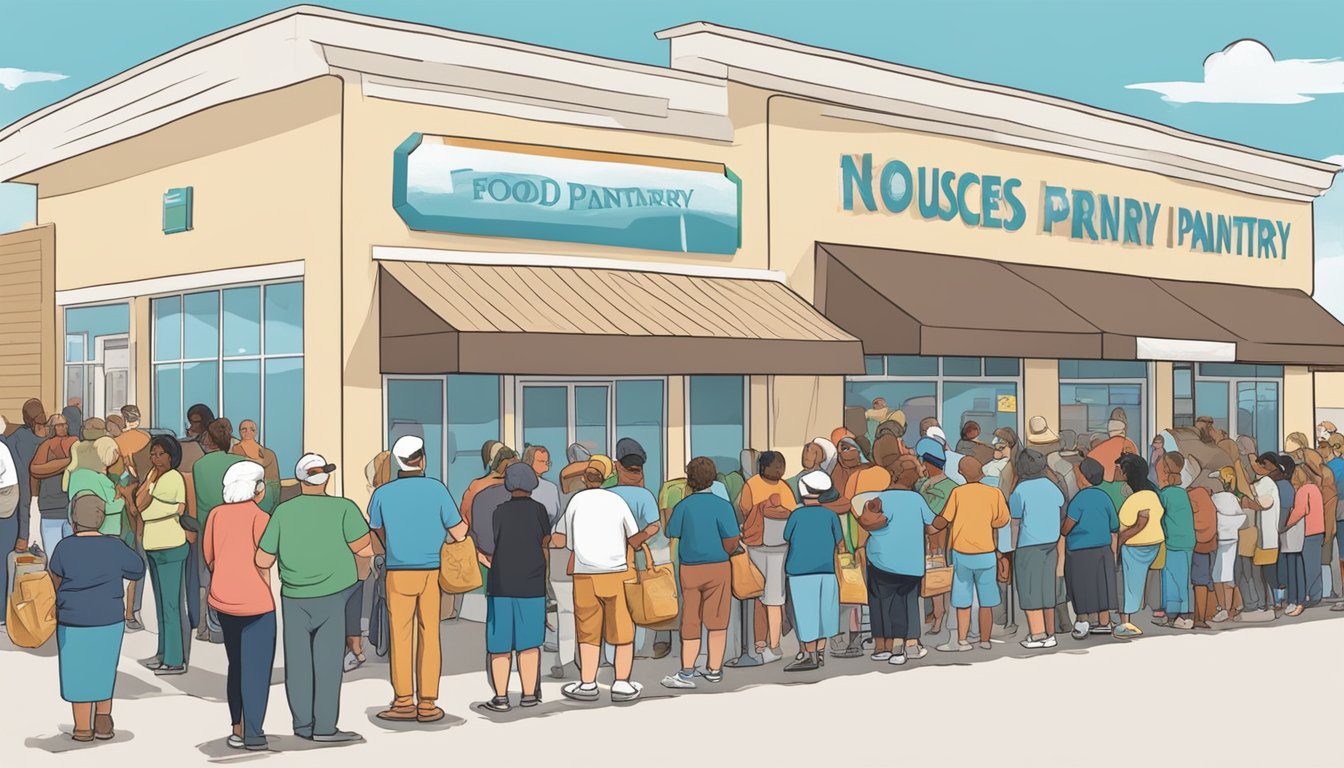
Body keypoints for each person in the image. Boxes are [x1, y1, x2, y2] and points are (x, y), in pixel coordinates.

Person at [256, 453, 371, 743]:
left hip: (293, 595)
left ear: (299, 480)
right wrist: (356, 574)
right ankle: (324, 728)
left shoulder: (283, 512)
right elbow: (365, 550)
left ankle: (303, 724)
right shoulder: (344, 508)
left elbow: (262, 558)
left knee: (297, 663)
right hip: (334, 594)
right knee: (328, 663)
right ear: (326, 477)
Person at [367, 435, 466, 722]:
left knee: (400, 637)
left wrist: (393, 544)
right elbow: (458, 532)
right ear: (422, 459)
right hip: (431, 572)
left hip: (398, 572)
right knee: (429, 635)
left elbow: (376, 529)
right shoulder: (436, 489)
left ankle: (402, 701)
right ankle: (428, 702)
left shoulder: (382, 494)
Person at [552, 458, 649, 703]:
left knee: (587, 631)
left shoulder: (576, 501)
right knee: (623, 630)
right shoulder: (617, 501)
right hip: (617, 573)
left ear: (585, 478)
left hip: (584, 574)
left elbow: (560, 539)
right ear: (608, 478)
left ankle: (587, 684)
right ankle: (622, 683)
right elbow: (633, 536)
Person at [49, 494, 145, 742]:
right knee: (104, 666)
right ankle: (103, 718)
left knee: (77, 670)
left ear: (73, 521)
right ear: (101, 520)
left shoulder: (64, 547)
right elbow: (137, 569)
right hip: (109, 618)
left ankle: (82, 726)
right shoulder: (114, 546)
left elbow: (55, 578)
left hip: (73, 619)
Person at [203, 461, 277, 751]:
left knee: (237, 666)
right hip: (257, 602)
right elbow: (266, 561)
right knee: (257, 669)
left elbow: (209, 557)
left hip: (223, 599)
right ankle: (255, 733)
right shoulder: (262, 518)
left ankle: (237, 728)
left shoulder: (216, 515)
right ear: (257, 489)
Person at [661, 457, 741, 688]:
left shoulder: (683, 506)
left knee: (691, 620)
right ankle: (714, 669)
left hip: (690, 568)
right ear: (713, 479)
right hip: (718, 567)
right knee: (717, 620)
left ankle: (687, 671)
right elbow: (731, 540)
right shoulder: (723, 506)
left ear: (690, 480)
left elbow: (671, 531)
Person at [479, 463, 552, 711]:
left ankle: (500, 697)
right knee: (529, 644)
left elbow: (491, 544)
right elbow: (545, 540)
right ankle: (529, 694)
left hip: (501, 582)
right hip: (532, 583)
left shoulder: (499, 512)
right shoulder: (540, 511)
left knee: (499, 645)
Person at [856, 454, 934, 665]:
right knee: (907, 603)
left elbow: (866, 522)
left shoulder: (881, 498)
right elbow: (933, 526)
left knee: (879, 602)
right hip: (910, 562)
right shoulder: (917, 500)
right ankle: (906, 646)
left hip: (880, 559)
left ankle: (882, 647)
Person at [928, 456, 1010, 652]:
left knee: (962, 600)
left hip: (962, 552)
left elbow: (944, 520)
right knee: (987, 601)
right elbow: (1002, 520)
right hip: (986, 552)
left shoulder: (958, 493)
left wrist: (930, 525)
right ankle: (985, 639)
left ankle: (962, 640)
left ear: (962, 474)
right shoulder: (995, 493)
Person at [133, 434, 191, 674]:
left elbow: (146, 510)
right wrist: (145, 494)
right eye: (153, 454)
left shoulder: (173, 478)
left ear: (171, 455)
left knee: (170, 605)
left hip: (171, 546)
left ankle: (175, 659)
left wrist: (144, 499)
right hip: (153, 545)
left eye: (161, 454)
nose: (156, 459)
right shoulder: (152, 476)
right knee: (159, 604)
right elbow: (140, 502)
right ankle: (162, 653)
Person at [605, 438, 665, 661]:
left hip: (609, 560)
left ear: (616, 465)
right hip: (637, 558)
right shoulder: (645, 495)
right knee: (639, 602)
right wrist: (638, 538)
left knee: (613, 605)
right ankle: (636, 649)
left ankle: (612, 653)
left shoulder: (607, 494)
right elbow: (655, 526)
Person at [738, 451, 797, 665]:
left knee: (774, 598)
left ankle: (774, 644)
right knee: (760, 596)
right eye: (776, 465)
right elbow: (745, 509)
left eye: (782, 465)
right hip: (757, 546)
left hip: (779, 549)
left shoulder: (784, 487)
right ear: (764, 467)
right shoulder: (752, 485)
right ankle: (760, 642)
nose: (780, 469)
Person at [783, 471, 845, 672]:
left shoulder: (796, 515)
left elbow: (786, 536)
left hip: (800, 571)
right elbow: (840, 543)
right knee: (823, 613)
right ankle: (820, 652)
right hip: (826, 570)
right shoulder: (831, 515)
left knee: (806, 614)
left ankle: (809, 656)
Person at [192, 418, 243, 643]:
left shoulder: (199, 465)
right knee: (235, 575)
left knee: (207, 577)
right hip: (236, 526)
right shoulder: (240, 463)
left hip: (207, 526)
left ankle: (206, 626)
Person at [1009, 449, 1065, 649]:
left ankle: (1037, 634)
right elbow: (1060, 507)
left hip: (1028, 544)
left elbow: (1015, 522)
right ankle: (1051, 634)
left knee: (1030, 590)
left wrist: (1012, 547)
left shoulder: (1020, 491)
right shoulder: (1052, 486)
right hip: (1051, 542)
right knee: (1047, 588)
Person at [1063, 458, 1119, 638]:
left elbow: (1067, 527)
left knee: (1081, 587)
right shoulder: (1104, 496)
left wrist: (1061, 529)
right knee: (1101, 586)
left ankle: (1082, 622)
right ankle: (1104, 622)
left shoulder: (1079, 500)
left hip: (1080, 551)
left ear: (1084, 477)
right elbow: (1114, 524)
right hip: (1103, 549)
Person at [1112, 454, 1165, 639]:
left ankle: (1125, 622)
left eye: (1119, 469)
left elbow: (1140, 522)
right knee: (1137, 582)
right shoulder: (1152, 494)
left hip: (1135, 546)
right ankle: (1126, 618)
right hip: (1154, 543)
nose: (1116, 472)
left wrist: (1120, 540)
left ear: (1128, 473)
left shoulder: (1135, 499)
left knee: (1127, 583)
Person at [915, 437, 958, 635]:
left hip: (939, 539)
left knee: (939, 578)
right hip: (926, 539)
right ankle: (937, 614)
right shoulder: (922, 484)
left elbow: (936, 517)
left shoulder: (948, 488)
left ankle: (941, 616)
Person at [1152, 453, 1196, 630]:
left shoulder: (1166, 495)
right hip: (1187, 541)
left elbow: (1159, 516)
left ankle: (1180, 614)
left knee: (1173, 578)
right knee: (1182, 578)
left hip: (1173, 542)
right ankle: (1180, 613)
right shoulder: (1182, 493)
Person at [7, 399, 49, 558]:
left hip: (24, 484)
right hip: (38, 489)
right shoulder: (47, 438)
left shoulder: (18, 436)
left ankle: (23, 539)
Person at [31, 411, 77, 552]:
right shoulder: (46, 445)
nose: (63, 428)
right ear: (51, 428)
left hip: (72, 506)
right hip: (50, 507)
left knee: (73, 554)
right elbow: (35, 469)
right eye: (58, 425)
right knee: (52, 552)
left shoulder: (75, 442)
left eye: (64, 425)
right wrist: (66, 463)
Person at [1183, 456, 1219, 628]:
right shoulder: (1199, 493)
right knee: (1201, 580)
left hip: (1199, 544)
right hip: (1203, 543)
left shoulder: (1194, 495)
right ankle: (1199, 616)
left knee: (1200, 581)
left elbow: (1203, 521)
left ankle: (1200, 618)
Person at [1281, 460, 1320, 616]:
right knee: (1313, 567)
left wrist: (1285, 526)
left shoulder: (1303, 490)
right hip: (1318, 530)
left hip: (1307, 532)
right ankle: (1314, 596)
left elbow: (1299, 511)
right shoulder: (1315, 488)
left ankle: (1303, 599)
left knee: (1302, 568)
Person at [1210, 467, 1247, 622]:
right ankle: (1235, 604)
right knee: (1226, 575)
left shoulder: (1217, 498)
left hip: (1222, 539)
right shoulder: (1233, 498)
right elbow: (1242, 517)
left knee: (1220, 575)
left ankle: (1224, 608)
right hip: (1233, 538)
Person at [229, 420, 281, 513]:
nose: (248, 432)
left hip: (267, 493)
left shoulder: (268, 453)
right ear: (240, 432)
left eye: (251, 429)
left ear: (256, 432)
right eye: (244, 429)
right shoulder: (236, 450)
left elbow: (274, 483)